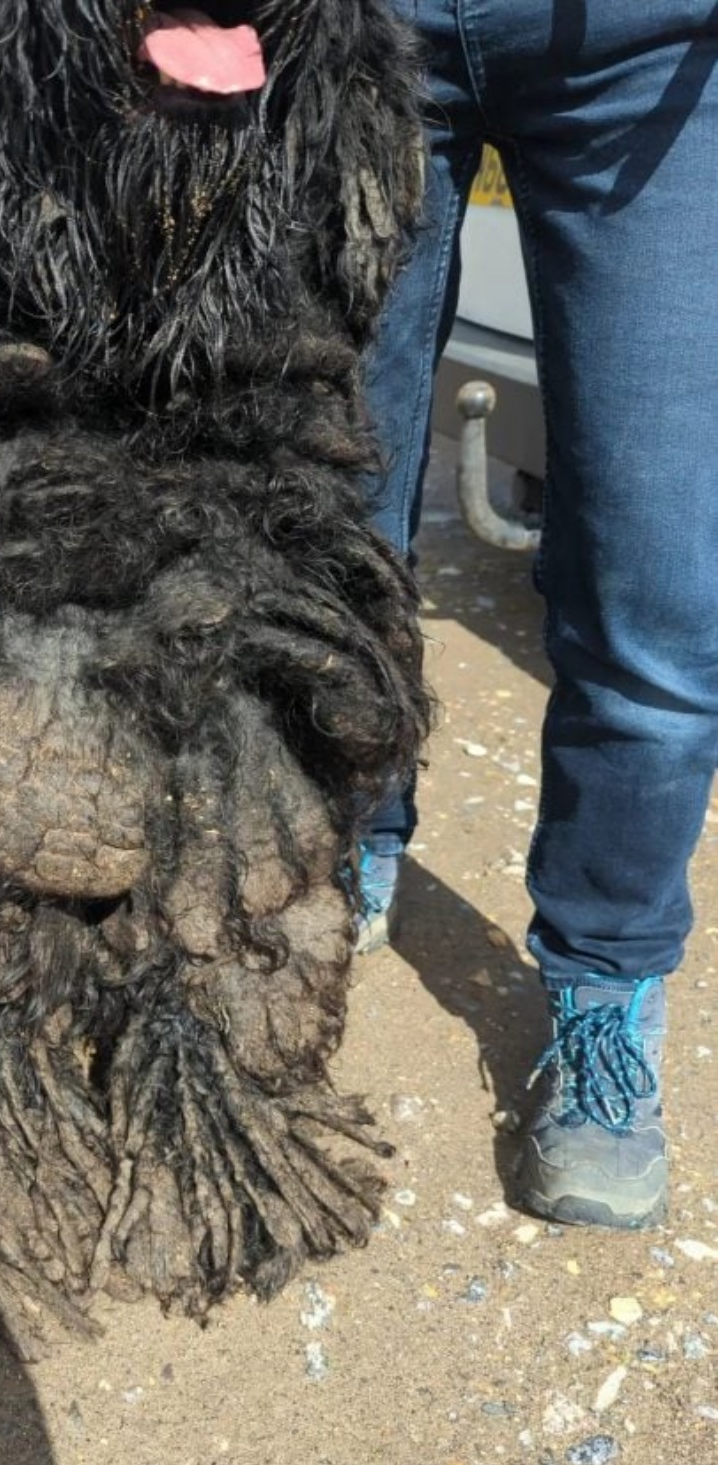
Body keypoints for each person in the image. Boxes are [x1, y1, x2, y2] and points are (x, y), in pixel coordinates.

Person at [358, 0, 718, 1231]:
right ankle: (342, 834)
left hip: (648, 46)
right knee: (323, 526)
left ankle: (606, 983)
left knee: (659, 586)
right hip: (346, 27)